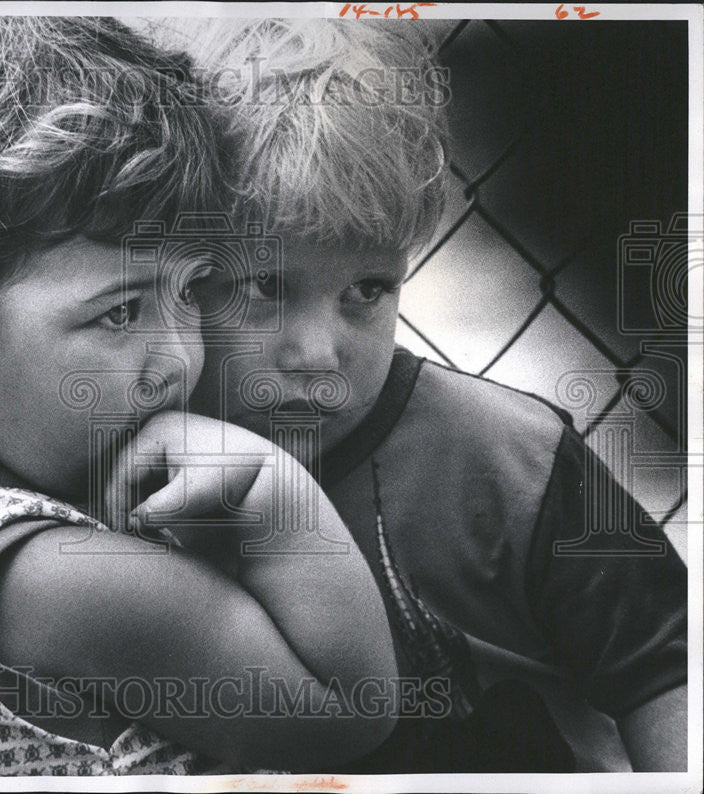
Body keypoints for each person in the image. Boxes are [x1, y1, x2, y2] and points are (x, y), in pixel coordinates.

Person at [0, 16, 399, 776]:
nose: (178, 361)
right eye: (120, 311)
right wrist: (271, 491)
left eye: (190, 291)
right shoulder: (63, 581)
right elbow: (346, 714)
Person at [149, 18, 689, 772]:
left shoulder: (508, 458)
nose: (319, 355)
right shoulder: (116, 448)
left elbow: (668, 670)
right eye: (266, 287)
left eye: (367, 290)